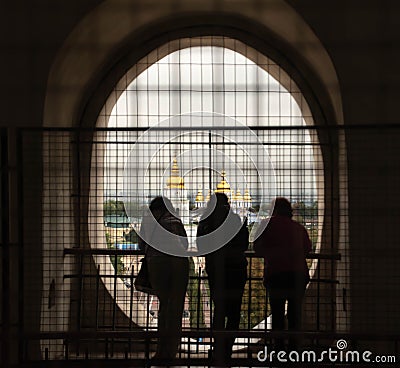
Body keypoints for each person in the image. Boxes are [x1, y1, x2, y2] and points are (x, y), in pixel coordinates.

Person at [197, 193, 248, 366]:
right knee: (234, 313)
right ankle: (227, 349)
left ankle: (218, 348)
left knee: (219, 309)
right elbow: (244, 244)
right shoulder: (234, 219)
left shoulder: (205, 221)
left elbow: (200, 246)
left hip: (216, 270)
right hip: (236, 269)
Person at [253, 197, 311, 350]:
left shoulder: (266, 225)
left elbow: (257, 248)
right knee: (294, 315)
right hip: (298, 275)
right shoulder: (298, 228)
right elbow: (307, 249)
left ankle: (278, 349)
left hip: (276, 275)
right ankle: (294, 349)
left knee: (277, 315)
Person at [138, 196, 189, 365]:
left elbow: (141, 245)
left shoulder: (148, 220)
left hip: (157, 264)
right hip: (179, 264)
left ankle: (161, 350)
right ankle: (172, 350)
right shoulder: (175, 219)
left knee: (164, 308)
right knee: (176, 309)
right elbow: (186, 244)